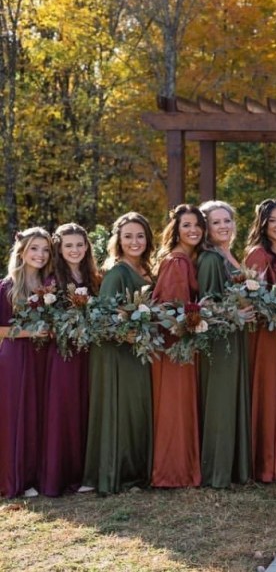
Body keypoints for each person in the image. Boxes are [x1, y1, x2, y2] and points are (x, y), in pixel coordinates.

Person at [82, 212, 155, 495]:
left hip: (138, 350)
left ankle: (137, 471)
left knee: (137, 411)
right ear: (118, 240)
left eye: (140, 236)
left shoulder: (147, 268)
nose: (135, 241)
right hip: (116, 354)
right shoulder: (116, 273)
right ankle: (120, 474)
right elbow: (102, 320)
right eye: (128, 236)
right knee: (123, 412)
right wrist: (125, 333)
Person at [39, 223, 100, 496]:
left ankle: (86, 472)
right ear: (59, 249)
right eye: (68, 246)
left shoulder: (94, 278)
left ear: (87, 247)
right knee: (64, 410)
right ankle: (59, 476)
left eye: (79, 244)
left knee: (86, 407)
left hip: (90, 353)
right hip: (63, 353)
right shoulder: (52, 281)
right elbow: (47, 319)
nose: (75, 250)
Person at [197, 200, 252, 488]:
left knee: (232, 400)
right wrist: (235, 315)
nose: (223, 226)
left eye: (227, 220)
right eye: (215, 222)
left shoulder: (230, 255)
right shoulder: (210, 259)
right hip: (219, 342)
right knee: (221, 402)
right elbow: (205, 305)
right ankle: (217, 473)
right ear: (206, 228)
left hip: (235, 337)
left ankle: (233, 469)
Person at [150, 204, 205, 488]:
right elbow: (173, 312)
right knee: (176, 408)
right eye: (186, 225)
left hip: (182, 345)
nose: (193, 230)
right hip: (175, 348)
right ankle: (173, 472)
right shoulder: (177, 262)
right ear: (176, 230)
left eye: (197, 225)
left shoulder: (188, 259)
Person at [244, 199, 276, 483]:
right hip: (268, 336)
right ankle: (266, 465)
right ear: (262, 224)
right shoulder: (258, 254)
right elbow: (252, 298)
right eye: (272, 220)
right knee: (269, 393)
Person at [0, 227, 52, 499]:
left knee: (36, 414)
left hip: (42, 357)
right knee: (17, 414)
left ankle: (33, 475)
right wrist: (31, 332)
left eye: (45, 250)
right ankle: (13, 477)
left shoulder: (49, 285)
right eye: (34, 248)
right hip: (16, 357)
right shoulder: (7, 286)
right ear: (21, 251)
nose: (40, 254)